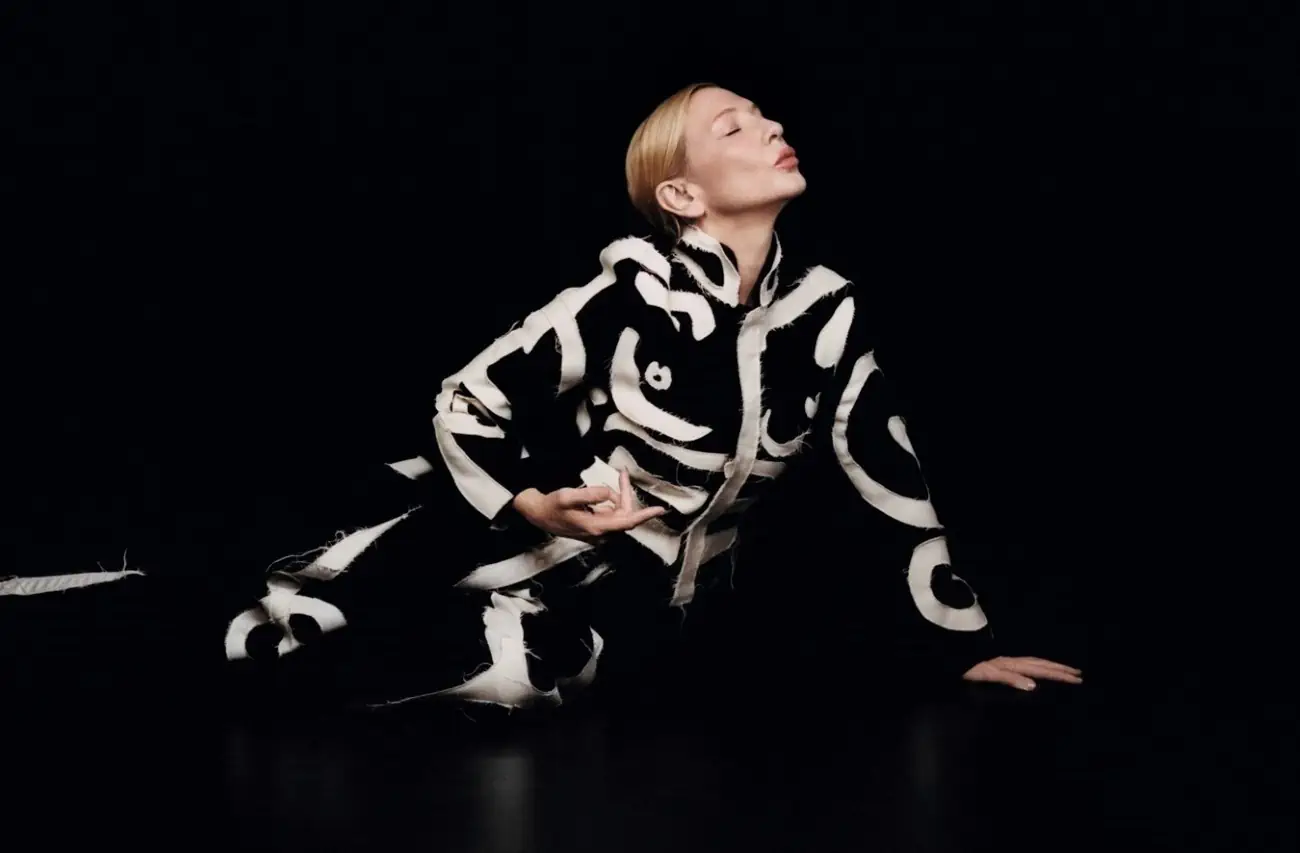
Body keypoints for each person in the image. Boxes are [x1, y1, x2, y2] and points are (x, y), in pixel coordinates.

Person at [2, 83, 1080, 714]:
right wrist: (528, 500)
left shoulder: (823, 316)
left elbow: (888, 477)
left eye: (762, 115)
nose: (767, 127)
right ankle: (118, 606)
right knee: (278, 602)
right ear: (681, 193)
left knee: (522, 672)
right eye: (733, 127)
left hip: (628, 613)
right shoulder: (621, 298)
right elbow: (466, 400)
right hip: (498, 547)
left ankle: (242, 638)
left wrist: (959, 643)